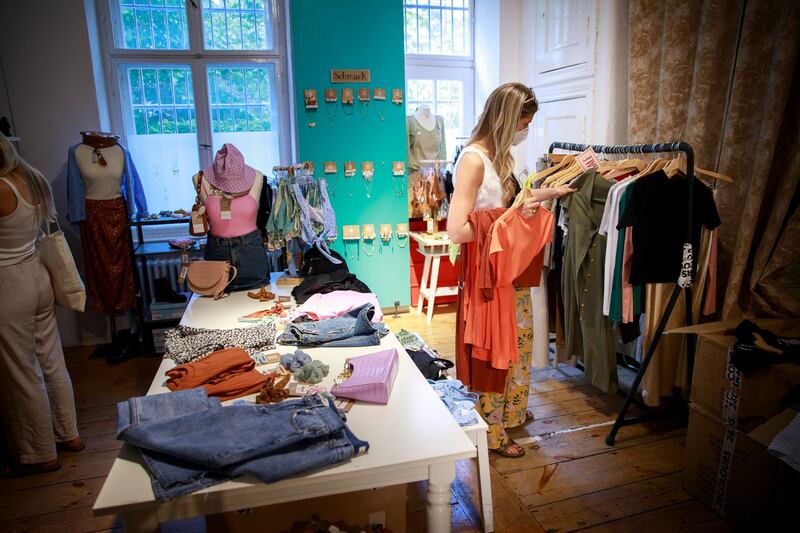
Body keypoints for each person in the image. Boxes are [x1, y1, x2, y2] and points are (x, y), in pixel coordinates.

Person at [448, 83, 574, 457]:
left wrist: (543, 195)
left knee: (516, 345)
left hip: (509, 270)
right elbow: (456, 229)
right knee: (494, 349)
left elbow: (510, 208)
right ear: (508, 119)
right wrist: (510, 216)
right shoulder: (473, 160)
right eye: (525, 122)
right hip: (489, 274)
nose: (527, 131)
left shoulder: (500, 158)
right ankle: (491, 429)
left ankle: (508, 413)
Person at [0, 134, 83, 477]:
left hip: (8, 282)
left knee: (21, 370)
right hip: (37, 273)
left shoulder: (2, 186)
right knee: (50, 359)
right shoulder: (30, 178)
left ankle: (39, 452)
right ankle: (69, 434)